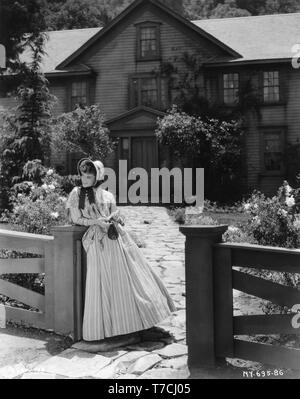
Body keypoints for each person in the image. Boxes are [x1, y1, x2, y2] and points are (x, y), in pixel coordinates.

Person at [66, 158, 177, 342]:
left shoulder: (107, 196)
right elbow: (76, 218)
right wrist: (95, 221)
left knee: (130, 276)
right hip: (96, 239)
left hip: (114, 238)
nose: (84, 179)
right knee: (103, 282)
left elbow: (115, 214)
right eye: (83, 175)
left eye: (89, 176)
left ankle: (137, 321)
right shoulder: (76, 194)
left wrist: (115, 218)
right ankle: (105, 328)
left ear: (97, 177)